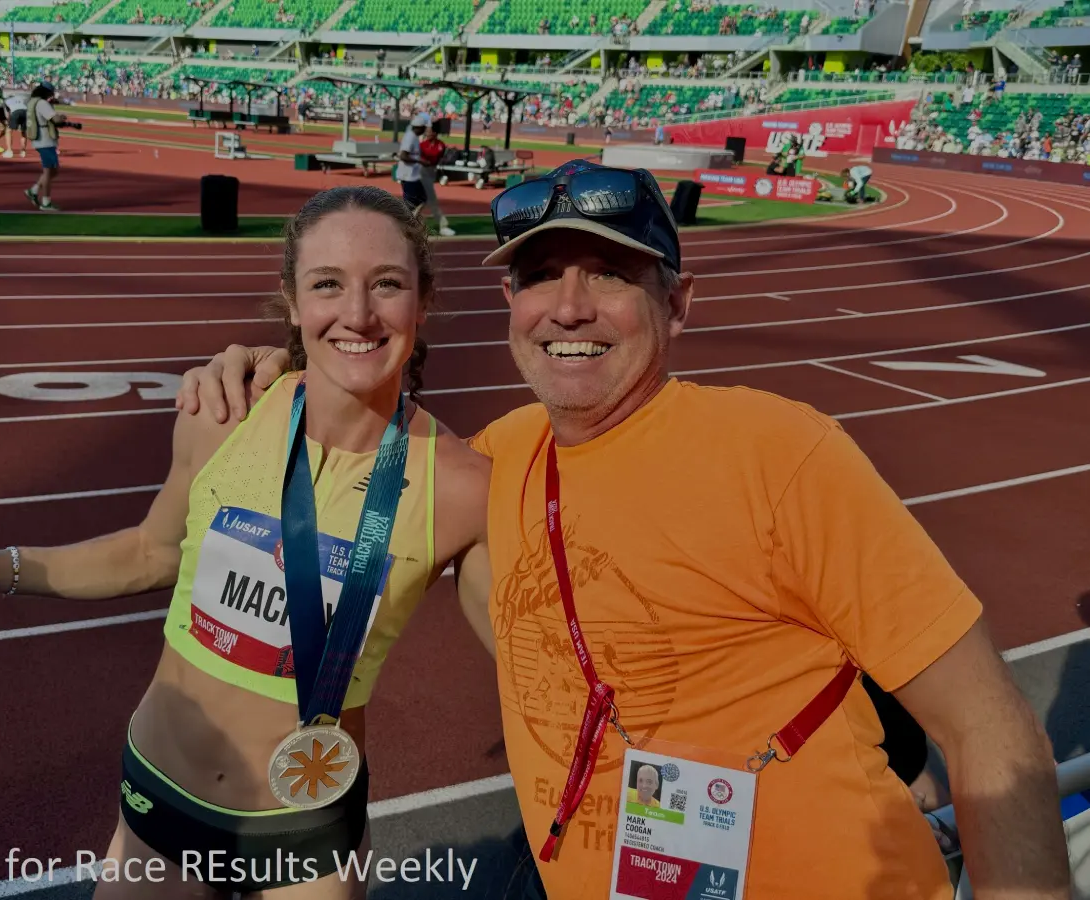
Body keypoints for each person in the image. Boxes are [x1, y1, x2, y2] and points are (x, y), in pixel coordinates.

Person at [176, 159, 1070, 899]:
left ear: (677, 303)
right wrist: (269, 376)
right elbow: (342, 456)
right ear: (511, 305)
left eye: (609, 273)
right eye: (538, 276)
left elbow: (991, 728)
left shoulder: (780, 451)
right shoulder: (493, 460)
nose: (568, 307)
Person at [0, 185, 491, 898]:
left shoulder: (463, 488)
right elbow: (150, 553)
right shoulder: (224, 414)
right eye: (327, 284)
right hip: (163, 805)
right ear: (291, 299)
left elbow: (533, 658)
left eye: (388, 284)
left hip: (307, 831)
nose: (358, 314)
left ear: (422, 302)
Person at [24, 82, 66, 210]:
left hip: (40, 139)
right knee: (48, 171)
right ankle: (46, 202)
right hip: (45, 140)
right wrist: (61, 117)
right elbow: (54, 119)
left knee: (54, 170)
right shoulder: (42, 103)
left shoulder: (33, 101)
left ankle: (34, 190)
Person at [395, 112, 429, 215]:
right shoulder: (410, 137)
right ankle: (406, 223)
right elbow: (403, 156)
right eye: (424, 127)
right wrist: (420, 161)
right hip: (408, 175)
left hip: (413, 175)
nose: (425, 130)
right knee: (411, 203)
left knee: (422, 198)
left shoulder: (413, 137)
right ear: (420, 127)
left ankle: (412, 219)